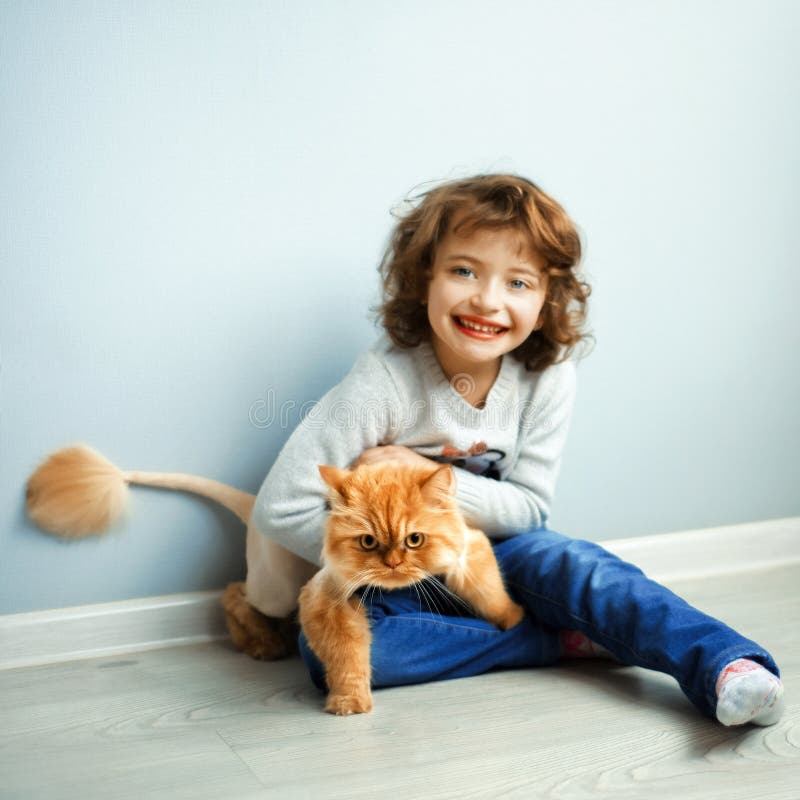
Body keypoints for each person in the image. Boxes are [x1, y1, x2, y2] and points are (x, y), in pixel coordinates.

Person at [249, 174, 784, 726]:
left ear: (548, 296)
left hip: (500, 553)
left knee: (580, 566)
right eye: (463, 271)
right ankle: (564, 639)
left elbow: (529, 508)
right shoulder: (383, 379)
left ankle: (727, 665)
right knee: (333, 655)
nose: (487, 300)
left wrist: (433, 473)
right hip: (396, 574)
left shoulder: (547, 376)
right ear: (423, 275)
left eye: (518, 283)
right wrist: (384, 563)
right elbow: (281, 506)